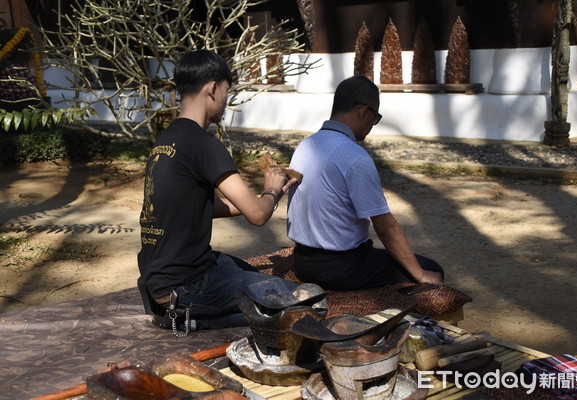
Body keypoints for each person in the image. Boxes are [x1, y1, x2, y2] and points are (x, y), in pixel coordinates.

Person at [137, 50, 298, 332]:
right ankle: (186, 319)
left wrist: (269, 195)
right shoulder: (203, 143)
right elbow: (258, 217)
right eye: (226, 92)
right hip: (187, 284)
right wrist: (271, 191)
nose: (225, 101)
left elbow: (205, 206)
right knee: (296, 300)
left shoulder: (166, 141)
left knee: (249, 273)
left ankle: (176, 310)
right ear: (212, 88)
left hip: (158, 277)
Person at [286, 75, 444, 291]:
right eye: (375, 117)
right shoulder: (354, 156)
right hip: (342, 268)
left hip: (303, 261)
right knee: (431, 268)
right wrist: (420, 273)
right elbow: (385, 225)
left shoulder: (306, 145)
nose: (372, 124)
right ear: (363, 112)